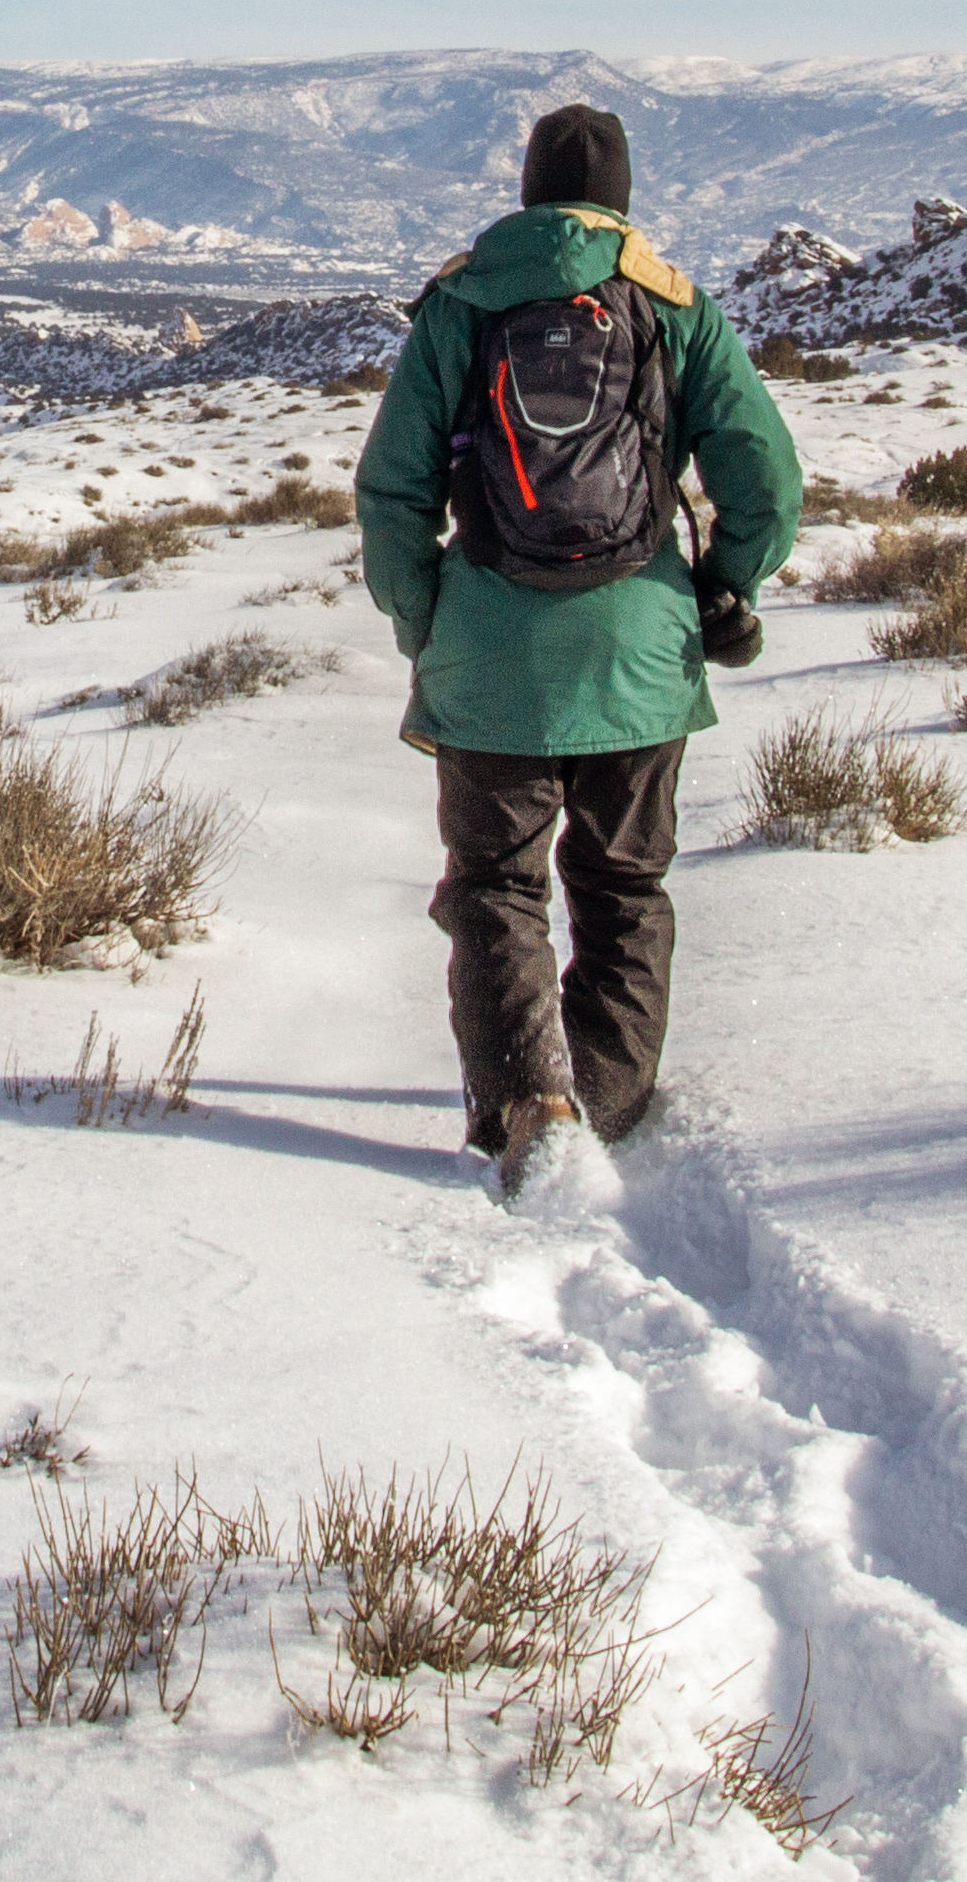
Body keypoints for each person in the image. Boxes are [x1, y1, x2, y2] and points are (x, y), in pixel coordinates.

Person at [354, 104, 799, 1191]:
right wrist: (723, 585)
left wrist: (426, 619)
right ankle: (600, 1098)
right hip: (639, 659)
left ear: (525, 190)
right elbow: (765, 480)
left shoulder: (460, 306)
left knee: (498, 883)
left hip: (491, 654)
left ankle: (527, 1104)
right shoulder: (668, 304)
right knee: (623, 886)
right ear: (622, 197)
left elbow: (392, 489)